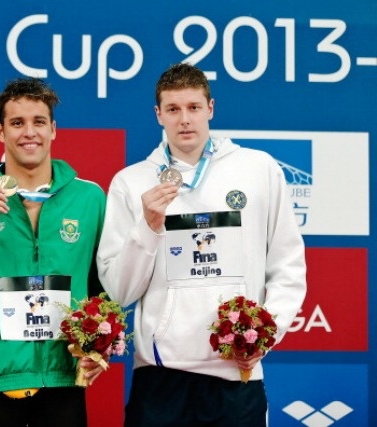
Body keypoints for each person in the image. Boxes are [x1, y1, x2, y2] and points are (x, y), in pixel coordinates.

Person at [96, 62, 307, 427]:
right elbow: (118, 292)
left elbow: (288, 265)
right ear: (158, 114)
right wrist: (147, 227)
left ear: (210, 108)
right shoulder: (131, 182)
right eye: (173, 109)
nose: (185, 120)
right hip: (161, 376)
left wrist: (261, 338)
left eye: (193, 108)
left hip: (236, 371)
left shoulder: (258, 169)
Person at [0, 77, 107, 427]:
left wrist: (96, 347)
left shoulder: (90, 198)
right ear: (0, 132)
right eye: (17, 123)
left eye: (39, 122)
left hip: (64, 381)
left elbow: (104, 291)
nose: (29, 132)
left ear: (54, 130)